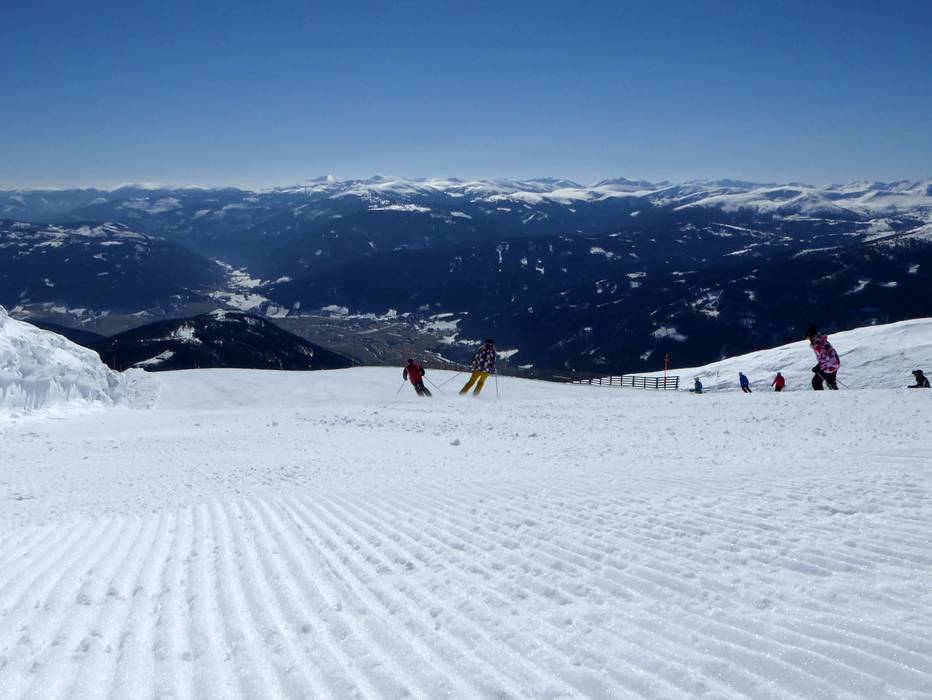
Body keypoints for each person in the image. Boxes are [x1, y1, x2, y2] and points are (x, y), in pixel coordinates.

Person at [805, 325, 840, 390]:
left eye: (808, 338)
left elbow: (825, 357)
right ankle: (837, 395)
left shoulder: (818, 344)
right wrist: (818, 366)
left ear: (811, 336)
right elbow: (827, 355)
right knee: (830, 382)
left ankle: (821, 396)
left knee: (816, 382)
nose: (809, 340)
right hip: (835, 363)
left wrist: (820, 368)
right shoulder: (822, 340)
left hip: (829, 366)